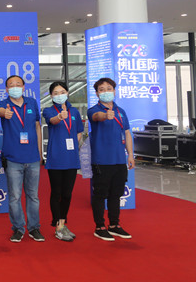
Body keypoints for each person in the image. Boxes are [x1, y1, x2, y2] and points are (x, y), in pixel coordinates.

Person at [0, 75, 44, 242]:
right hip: (13, 158)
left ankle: (34, 228)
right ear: (6, 89)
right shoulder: (3, 105)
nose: (15, 87)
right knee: (15, 196)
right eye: (11, 85)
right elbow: (0, 112)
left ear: (23, 87)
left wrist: (39, 152)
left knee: (33, 195)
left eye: (18, 84)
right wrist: (5, 113)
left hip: (33, 157)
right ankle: (18, 228)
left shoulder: (32, 103)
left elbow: (37, 126)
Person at [88, 77, 135, 241]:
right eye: (102, 89)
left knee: (116, 194)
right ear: (97, 93)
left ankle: (114, 225)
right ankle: (99, 227)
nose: (106, 92)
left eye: (109, 89)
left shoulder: (121, 111)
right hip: (101, 161)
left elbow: (127, 133)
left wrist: (130, 154)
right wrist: (105, 115)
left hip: (119, 160)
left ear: (114, 91)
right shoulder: (93, 110)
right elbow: (97, 117)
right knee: (100, 195)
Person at [42, 82, 84, 241]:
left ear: (67, 93)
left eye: (62, 91)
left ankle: (62, 223)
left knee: (67, 193)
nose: (59, 95)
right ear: (51, 96)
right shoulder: (48, 110)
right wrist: (59, 117)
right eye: (56, 93)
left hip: (71, 158)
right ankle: (58, 226)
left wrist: (72, 146)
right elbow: (52, 121)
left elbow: (79, 132)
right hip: (55, 158)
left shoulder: (74, 111)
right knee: (56, 192)